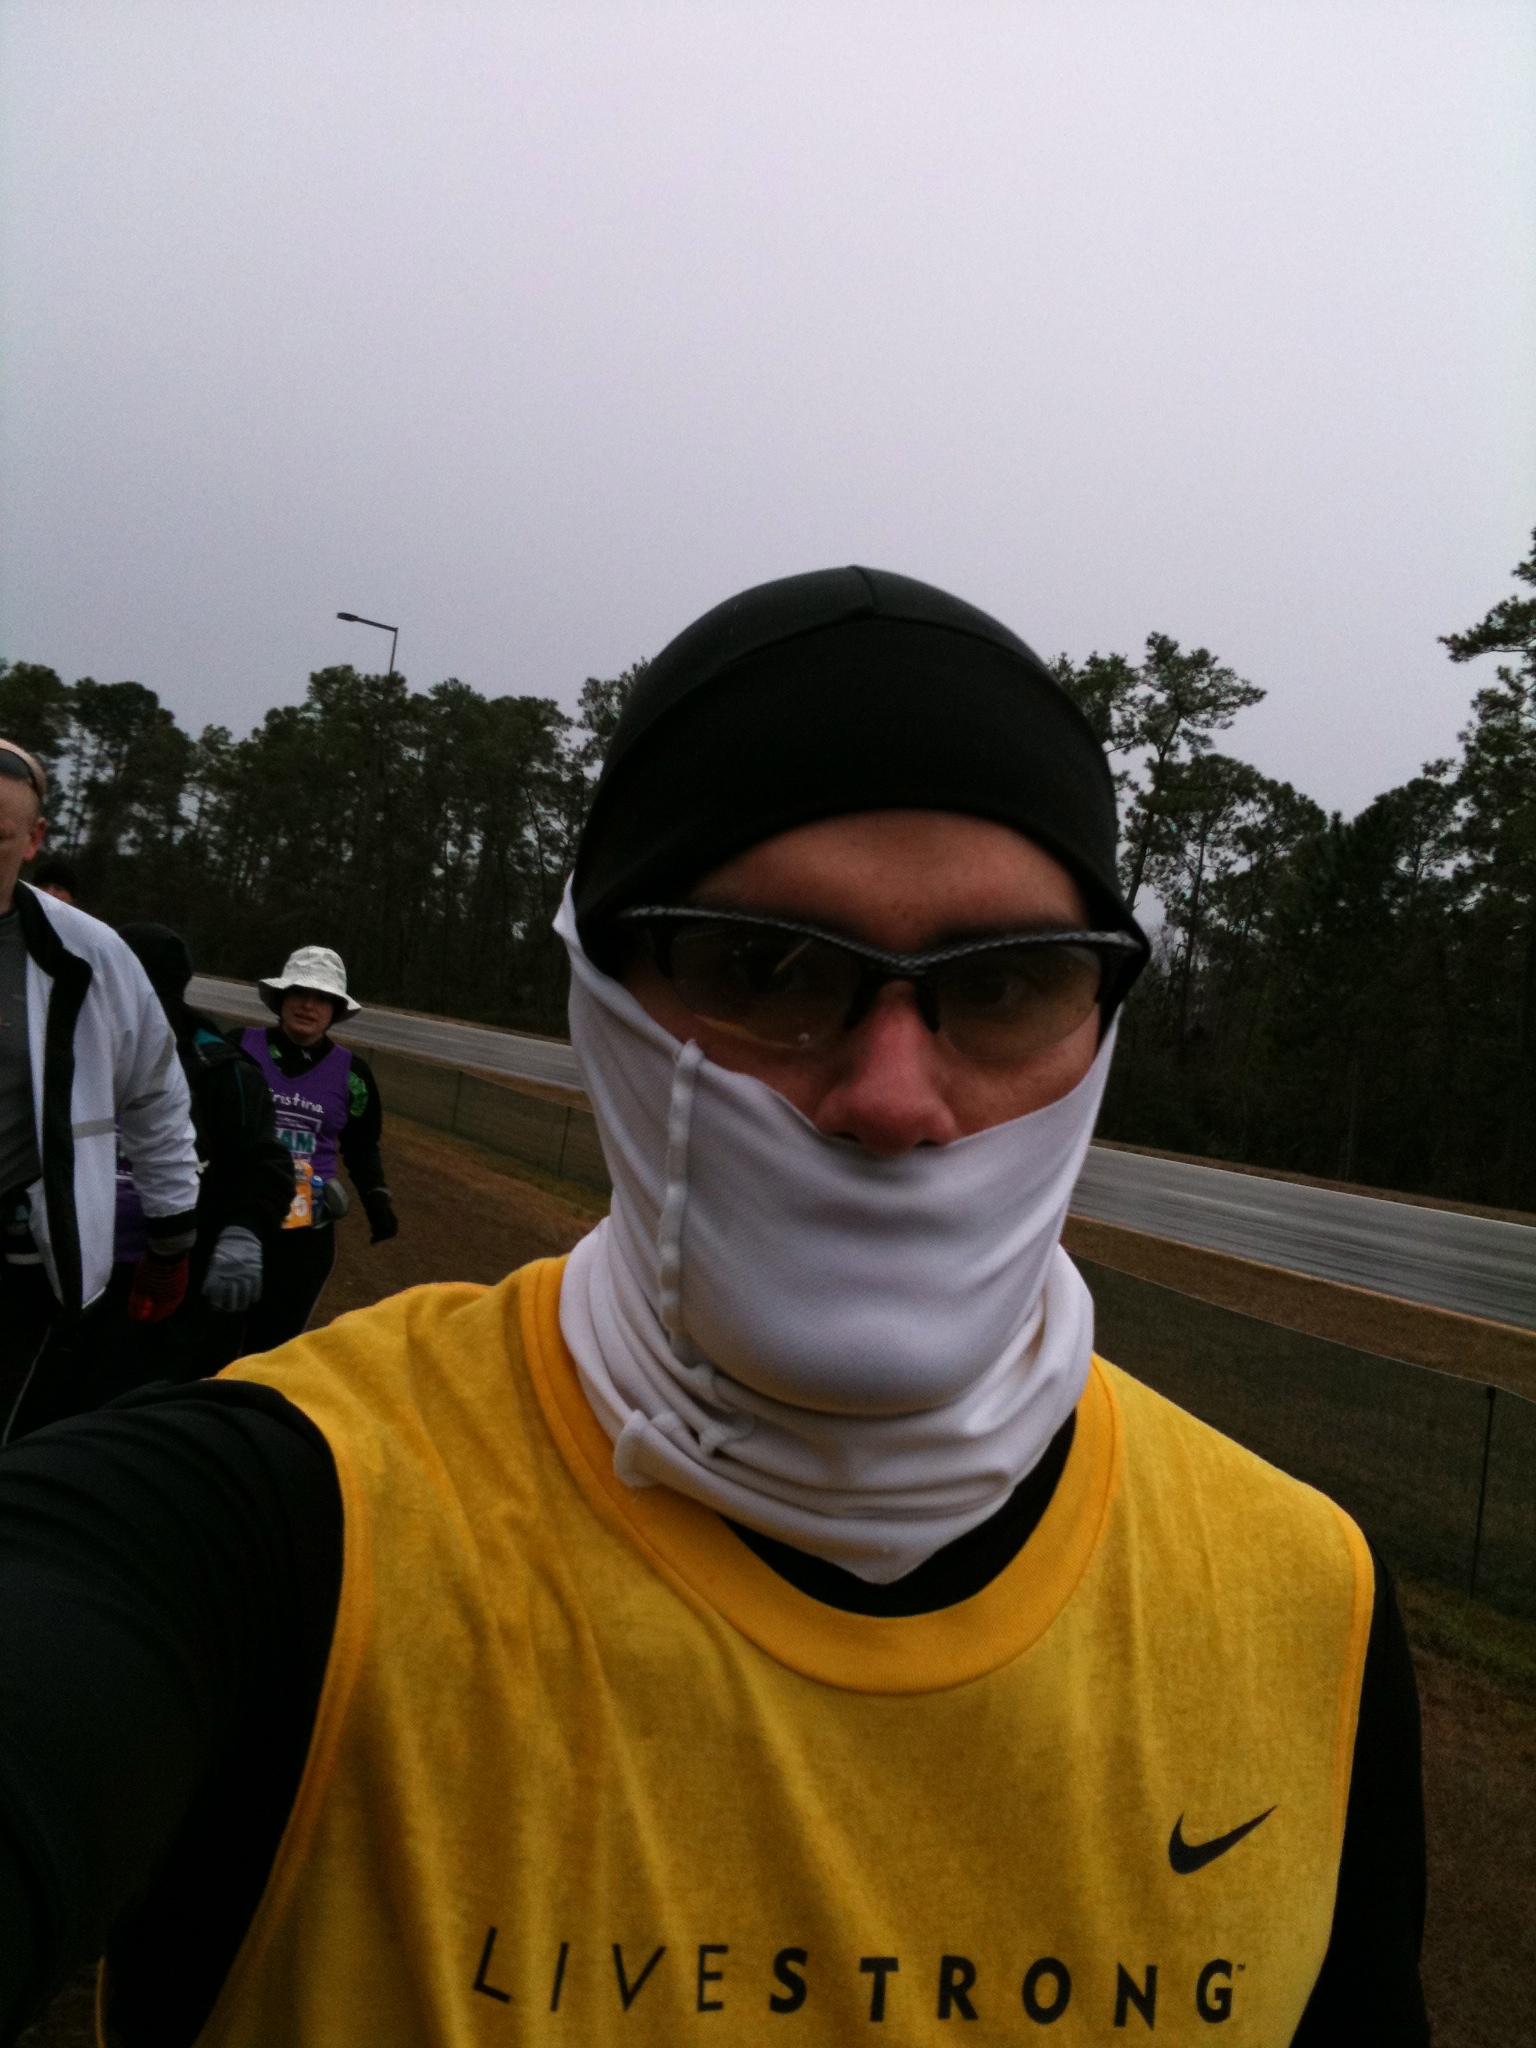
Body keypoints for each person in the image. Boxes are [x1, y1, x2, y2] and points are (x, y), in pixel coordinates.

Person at [0, 572, 1426, 2046]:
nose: (893, 1096)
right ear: (602, 992)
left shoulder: (1308, 1604)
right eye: (764, 967)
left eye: (1006, 985)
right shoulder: (271, 1528)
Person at [0, 739, 201, 1441]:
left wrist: (171, 1234)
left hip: (17, 1265)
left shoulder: (93, 956)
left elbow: (155, 1095)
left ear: (34, 841)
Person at [23, 924, 296, 1410]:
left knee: (112, 1415)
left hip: (157, 1287)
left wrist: (244, 1230)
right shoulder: (57, 1040)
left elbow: (262, 1161)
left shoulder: (220, 1068)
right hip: (52, 1265)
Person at [236, 946, 397, 1349]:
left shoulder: (353, 1075)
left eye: (322, 998)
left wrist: (377, 1199)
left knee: (272, 1350)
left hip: (304, 1237)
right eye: (299, 992)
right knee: (210, 1339)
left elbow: (362, 1145)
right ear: (281, 997)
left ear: (335, 1010)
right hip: (234, 1219)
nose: (308, 1005)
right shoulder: (238, 1048)